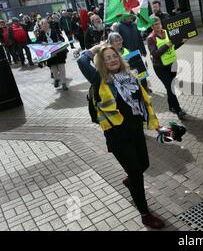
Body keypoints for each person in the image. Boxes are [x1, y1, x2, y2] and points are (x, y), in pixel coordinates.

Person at [77, 42, 165, 229]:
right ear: (101, 62)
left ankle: (130, 180)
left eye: (114, 56)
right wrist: (96, 49)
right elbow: (82, 60)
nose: (112, 59)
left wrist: (157, 126)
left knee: (144, 164)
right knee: (136, 174)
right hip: (117, 136)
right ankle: (145, 214)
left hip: (135, 131)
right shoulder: (99, 79)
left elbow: (145, 103)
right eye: (107, 58)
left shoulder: (130, 77)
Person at [147, 15, 187, 119]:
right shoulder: (150, 38)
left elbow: (173, 47)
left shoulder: (167, 32)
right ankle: (178, 110)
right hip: (160, 67)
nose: (157, 26)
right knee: (170, 87)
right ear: (152, 26)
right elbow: (154, 53)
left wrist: (181, 43)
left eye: (158, 23)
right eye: (155, 24)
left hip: (172, 64)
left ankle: (171, 106)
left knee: (171, 87)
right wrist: (167, 45)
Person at [36, 19, 69, 90]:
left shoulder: (55, 31)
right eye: (43, 24)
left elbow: (62, 39)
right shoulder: (41, 33)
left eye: (46, 23)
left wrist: (60, 41)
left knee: (61, 68)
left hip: (59, 53)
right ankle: (56, 79)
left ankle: (64, 84)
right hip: (49, 55)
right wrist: (42, 42)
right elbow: (37, 42)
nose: (45, 25)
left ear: (48, 24)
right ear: (41, 26)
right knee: (54, 69)